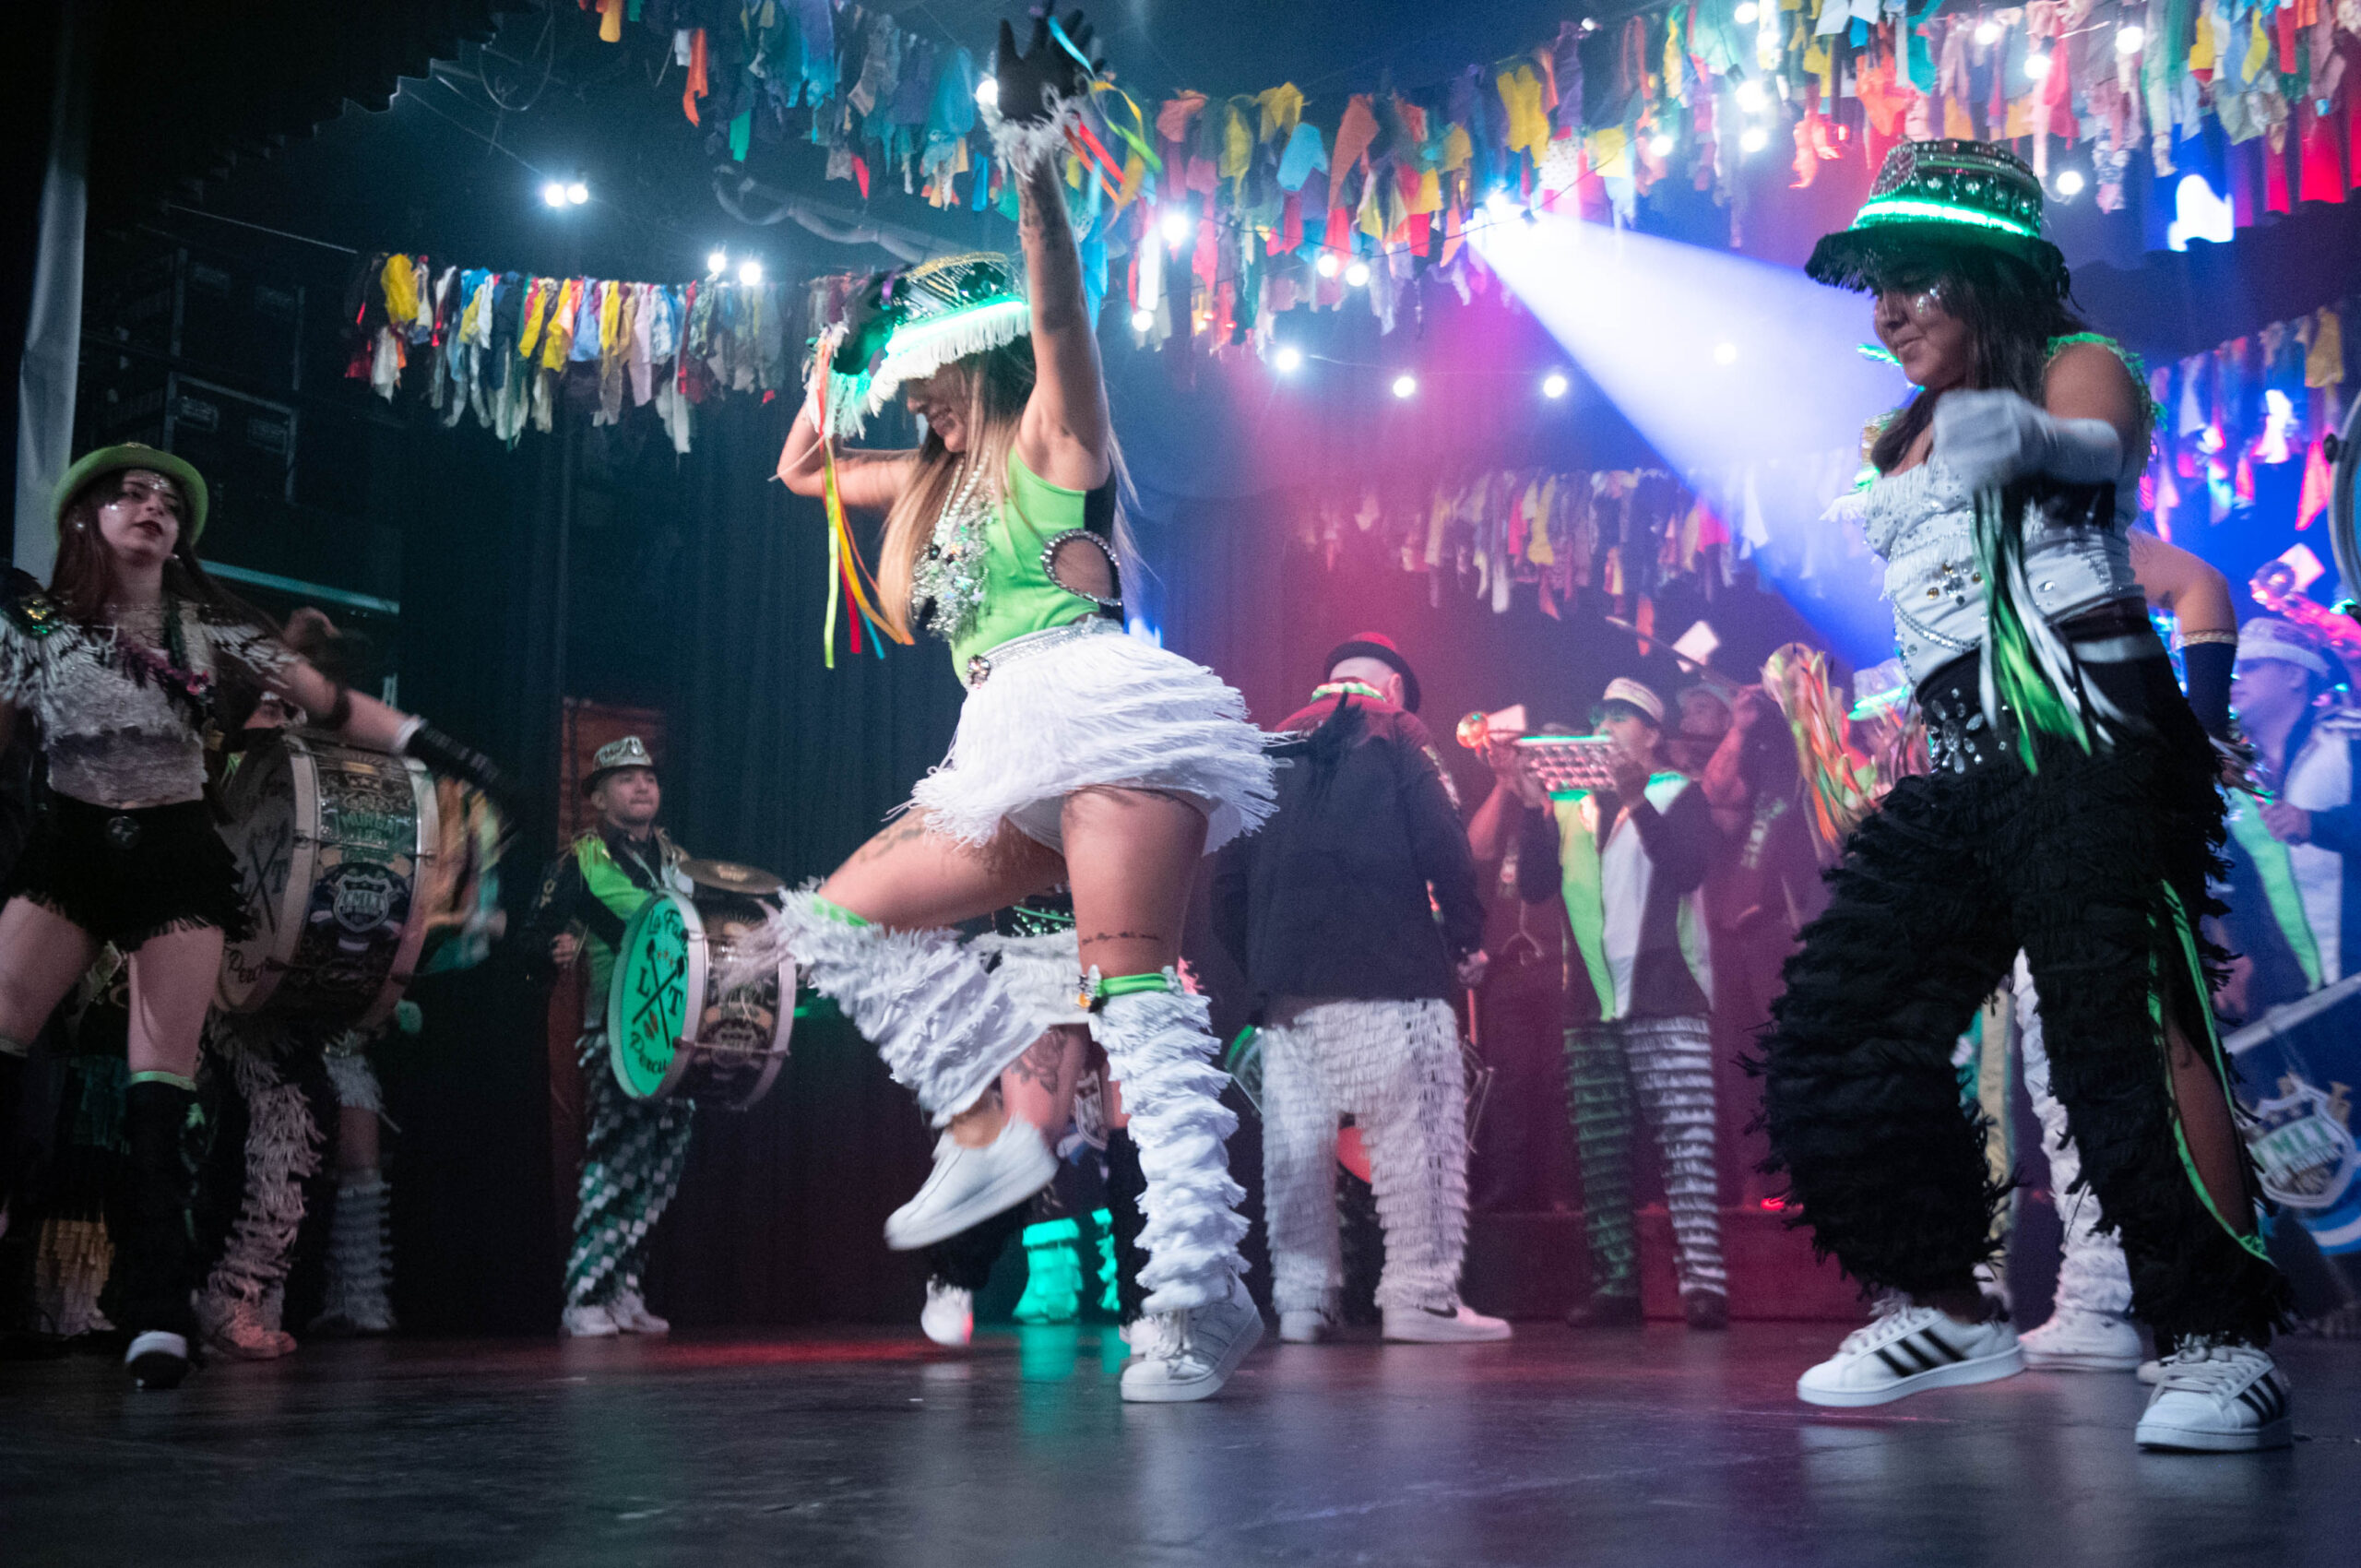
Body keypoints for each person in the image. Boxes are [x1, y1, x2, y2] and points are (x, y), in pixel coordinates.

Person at [765, 11, 1274, 1404]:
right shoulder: (930, 482)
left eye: (932, 384)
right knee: (834, 921)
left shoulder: (1059, 439)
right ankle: (987, 1131)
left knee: (1134, 1003)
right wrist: (838, 359)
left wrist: (1029, 156)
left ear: (979, 365)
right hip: (997, 741)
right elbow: (803, 472)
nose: (919, 406)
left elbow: (1058, 311)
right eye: (911, 392)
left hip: (1102, 713)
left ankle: (1199, 1300)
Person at [1763, 139, 2290, 1451]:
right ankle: (1948, 1304)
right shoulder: (1902, 429)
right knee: (1837, 1024)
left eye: (1914, 282)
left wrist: (2037, 441)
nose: (1888, 314)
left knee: (2127, 1035)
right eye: (1877, 290)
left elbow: (2096, 448)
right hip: (1963, 768)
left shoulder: (2071, 361)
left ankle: (2220, 1342)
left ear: (1987, 279)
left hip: (2090, 743)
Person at [0, 444, 504, 1388]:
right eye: (129, 493)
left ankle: (162, 1312)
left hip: (176, 859)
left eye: (167, 500)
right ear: (84, 517)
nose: (152, 506)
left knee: (162, 1095)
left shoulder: (213, 631)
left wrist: (439, 746)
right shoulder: (34, 625)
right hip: (70, 846)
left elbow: (332, 703)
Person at [1214, 635, 1507, 1345]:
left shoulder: (1269, 744)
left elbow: (1225, 885)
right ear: (1395, 688)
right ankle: (1421, 1298)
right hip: (1390, 978)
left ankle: (1303, 1303)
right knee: (1418, 1142)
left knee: (1295, 1152)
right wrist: (1465, 941)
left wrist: (1266, 968)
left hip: (1287, 997)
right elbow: (1445, 844)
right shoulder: (1400, 733)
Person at [1478, 677, 1731, 1330]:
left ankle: (1704, 1284)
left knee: (1686, 1143)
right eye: (1602, 716)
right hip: (1589, 1000)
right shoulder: (1569, 807)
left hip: (1667, 994)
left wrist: (1636, 800)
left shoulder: (1678, 794)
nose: (1608, 726)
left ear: (1652, 734)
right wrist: (1533, 808)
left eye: (1623, 717)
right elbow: (1535, 888)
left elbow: (1687, 871)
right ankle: (1617, 1284)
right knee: (1601, 1153)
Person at [520, 736, 699, 1338]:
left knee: (659, 1169)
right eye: (625, 778)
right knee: (616, 1162)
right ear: (598, 798)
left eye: (649, 776)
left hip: (679, 1035)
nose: (642, 785)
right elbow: (530, 939)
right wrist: (552, 950)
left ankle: (624, 1289)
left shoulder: (681, 863)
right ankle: (586, 1296)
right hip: (619, 1033)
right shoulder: (580, 861)